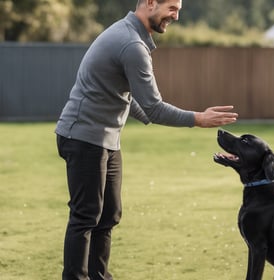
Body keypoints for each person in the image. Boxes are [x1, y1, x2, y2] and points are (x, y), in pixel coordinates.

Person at [55, 0, 238, 279]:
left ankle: (99, 276)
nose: (176, 15)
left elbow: (123, 94)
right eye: (172, 8)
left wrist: (146, 115)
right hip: (83, 137)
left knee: (108, 216)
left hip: (105, 139)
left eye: (178, 9)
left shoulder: (129, 36)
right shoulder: (131, 44)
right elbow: (154, 105)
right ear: (150, 3)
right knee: (86, 217)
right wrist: (198, 118)